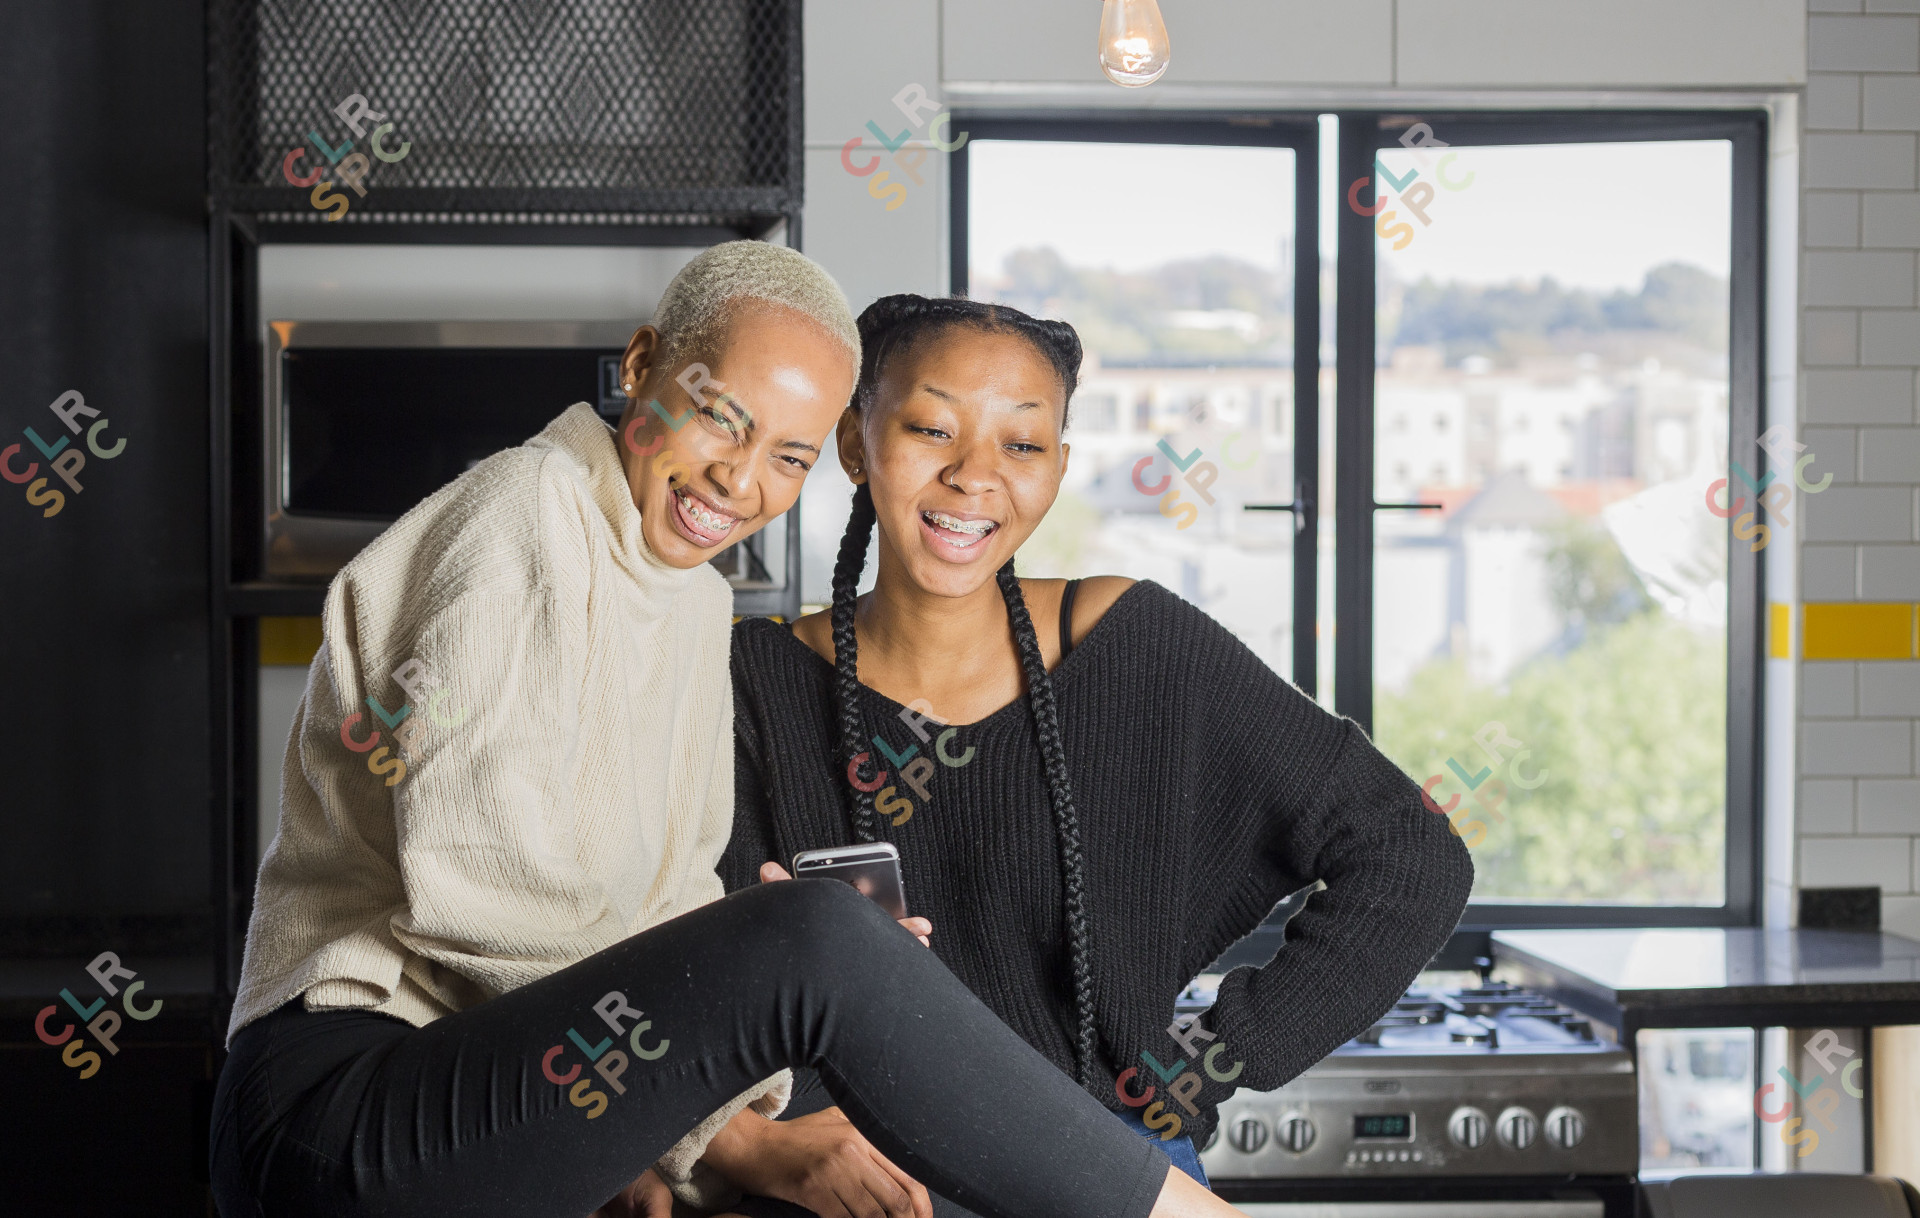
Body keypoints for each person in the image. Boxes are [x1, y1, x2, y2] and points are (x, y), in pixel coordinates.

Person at [210, 246, 1257, 1218]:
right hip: (343, 1098)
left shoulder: (693, 600)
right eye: (722, 419)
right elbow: (486, 887)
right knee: (818, 934)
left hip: (497, 1093)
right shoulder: (529, 510)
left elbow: (667, 900)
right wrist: (730, 1133)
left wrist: (726, 1039)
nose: (740, 480)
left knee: (821, 950)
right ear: (641, 367)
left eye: (791, 457)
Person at [720, 295, 1477, 1216]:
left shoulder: (1133, 645)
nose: (974, 476)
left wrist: (1209, 1063)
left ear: (1060, 468)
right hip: (853, 1188)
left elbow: (1410, 853)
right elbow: (652, 967)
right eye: (930, 428)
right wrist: (757, 1136)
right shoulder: (747, 682)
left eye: (1023, 445)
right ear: (854, 442)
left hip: (1105, 1177)